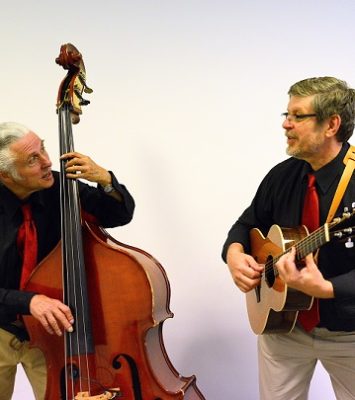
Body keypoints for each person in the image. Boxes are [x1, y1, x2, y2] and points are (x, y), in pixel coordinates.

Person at [222, 77, 355, 400]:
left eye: (297, 116)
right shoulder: (283, 174)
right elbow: (246, 224)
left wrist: (328, 289)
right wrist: (235, 255)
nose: (286, 124)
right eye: (286, 114)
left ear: (331, 124)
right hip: (283, 327)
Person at [0, 121, 135, 400]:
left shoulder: (58, 186)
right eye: (33, 159)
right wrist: (29, 301)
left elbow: (117, 215)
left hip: (52, 335)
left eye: (43, 148)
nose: (48, 162)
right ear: (6, 175)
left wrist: (105, 180)